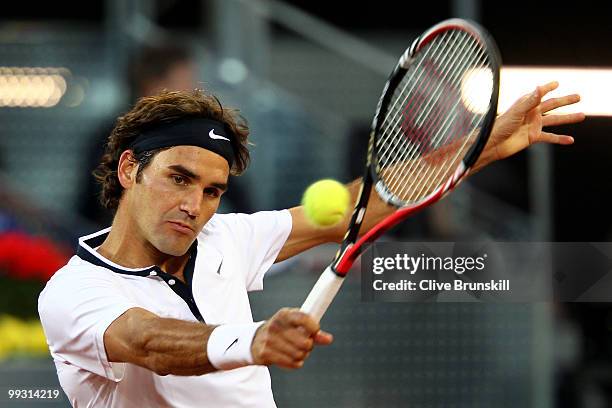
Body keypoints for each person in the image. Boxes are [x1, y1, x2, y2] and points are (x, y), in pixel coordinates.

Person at [38, 82, 583, 407]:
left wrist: (481, 145)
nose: (195, 205)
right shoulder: (73, 291)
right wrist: (254, 341)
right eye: (179, 179)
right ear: (131, 168)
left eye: (212, 191)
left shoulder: (227, 236)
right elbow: (150, 342)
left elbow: (363, 203)